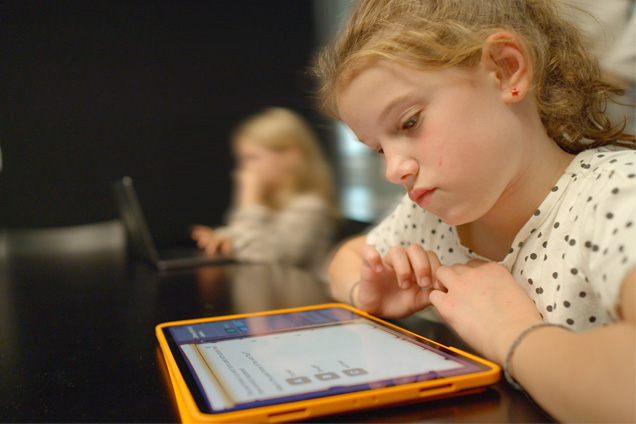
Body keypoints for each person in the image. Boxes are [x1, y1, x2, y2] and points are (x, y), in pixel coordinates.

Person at [315, 0, 635, 422]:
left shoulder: (615, 195)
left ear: (506, 70)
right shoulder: (431, 216)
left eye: (410, 122)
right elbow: (345, 258)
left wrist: (511, 335)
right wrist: (367, 293)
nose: (395, 170)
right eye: (379, 149)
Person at [191, 107, 338, 274]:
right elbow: (244, 235)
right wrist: (222, 238)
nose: (243, 168)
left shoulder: (310, 207)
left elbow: (262, 256)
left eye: (252, 158)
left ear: (289, 155)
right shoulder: (267, 203)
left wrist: (248, 201)